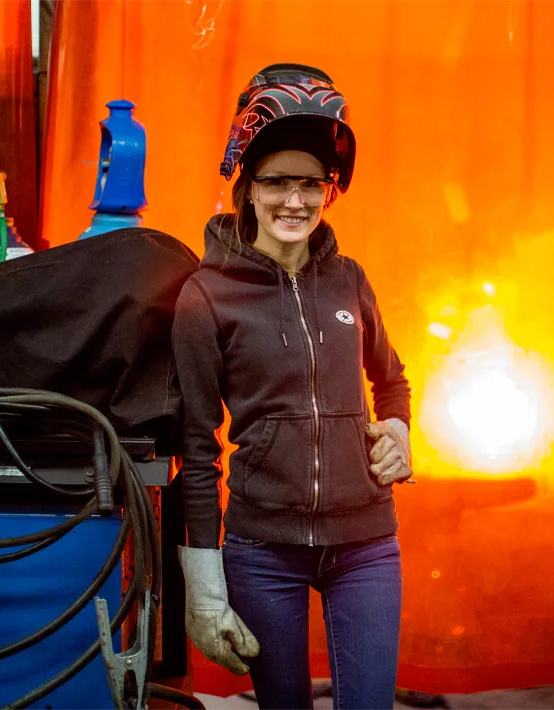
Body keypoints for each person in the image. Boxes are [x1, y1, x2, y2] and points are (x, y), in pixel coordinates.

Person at [173, 63, 413, 710]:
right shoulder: (204, 298)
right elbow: (196, 450)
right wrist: (204, 585)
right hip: (262, 553)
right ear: (247, 186)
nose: (295, 201)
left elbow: (392, 384)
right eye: (277, 182)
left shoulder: (350, 281)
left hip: (366, 546)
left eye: (311, 183)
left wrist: (398, 434)